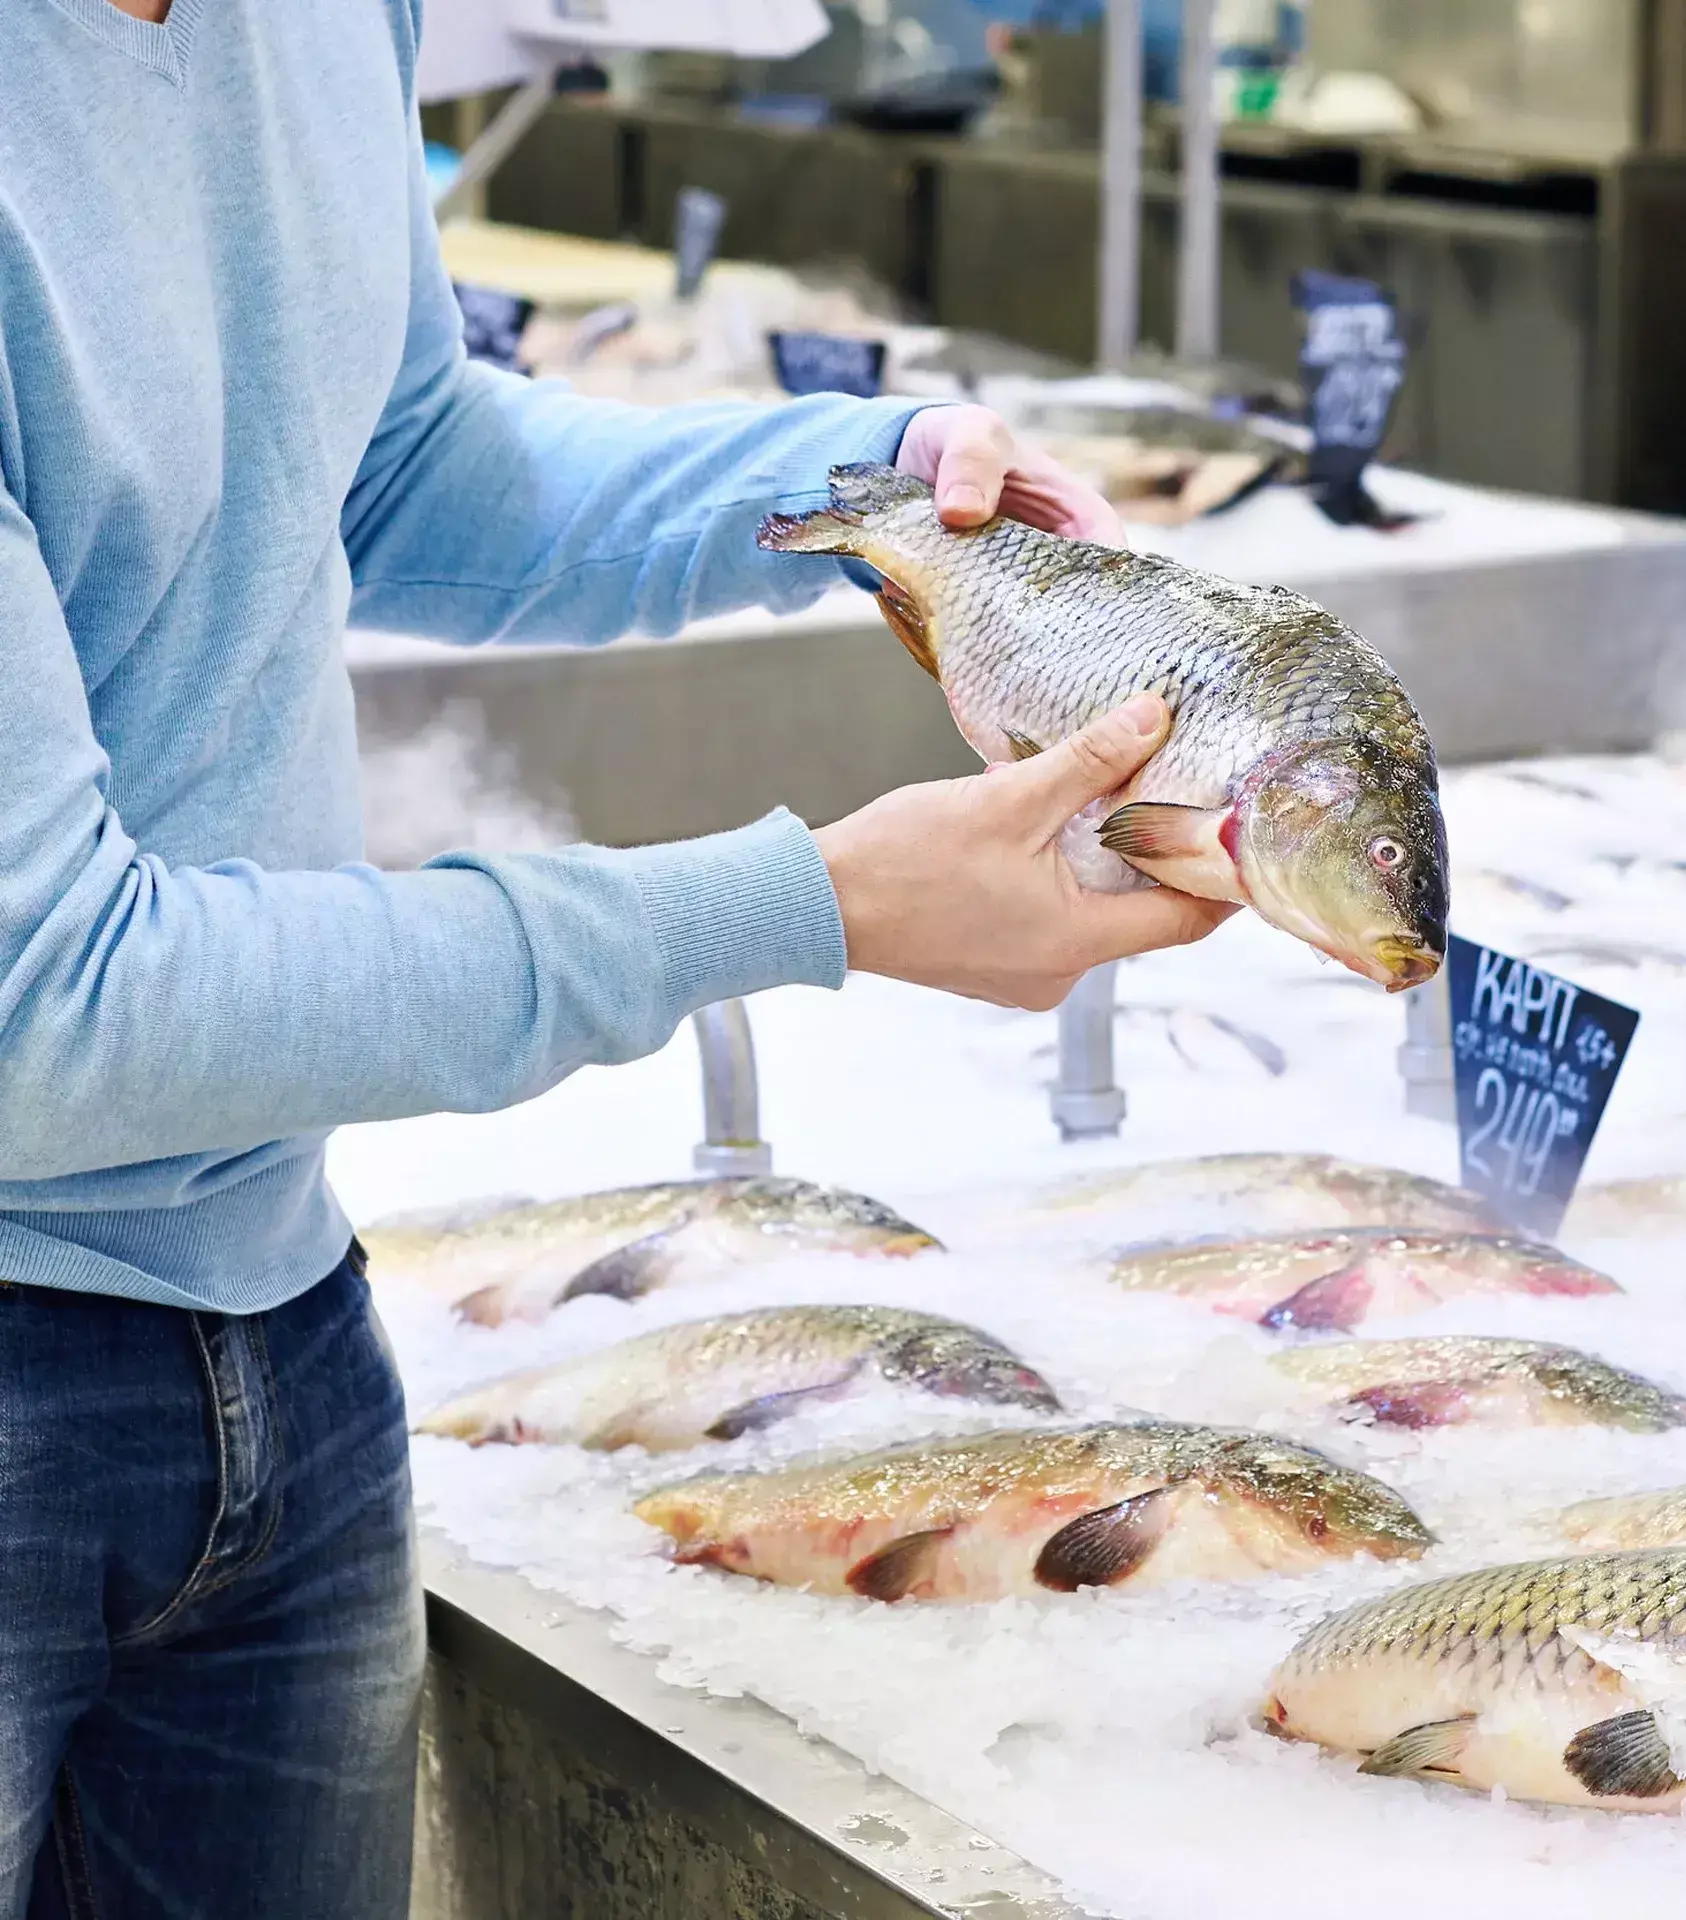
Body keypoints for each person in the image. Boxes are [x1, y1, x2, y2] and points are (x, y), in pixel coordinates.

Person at [0, 2, 1236, 1914]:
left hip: (287, 1327)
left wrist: (863, 490)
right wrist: (813, 904)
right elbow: (54, 1012)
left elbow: (392, 458)